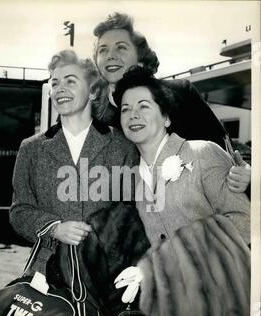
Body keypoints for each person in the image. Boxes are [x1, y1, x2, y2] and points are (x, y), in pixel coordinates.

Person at [9, 50, 145, 316]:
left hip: (107, 283)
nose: (60, 89)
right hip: (51, 279)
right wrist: (54, 227)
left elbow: (134, 214)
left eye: (70, 81)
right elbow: (19, 210)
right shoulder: (31, 150)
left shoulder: (122, 146)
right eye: (55, 83)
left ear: (94, 89)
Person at [113, 66, 251, 316]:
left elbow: (245, 223)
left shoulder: (202, 154)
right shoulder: (134, 179)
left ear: (166, 117)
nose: (133, 115)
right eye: (125, 109)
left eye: (143, 106)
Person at [92, 12, 251, 194]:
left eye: (121, 48)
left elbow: (225, 150)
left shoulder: (180, 93)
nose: (110, 56)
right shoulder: (92, 113)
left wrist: (244, 173)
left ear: (140, 56)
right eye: (103, 50)